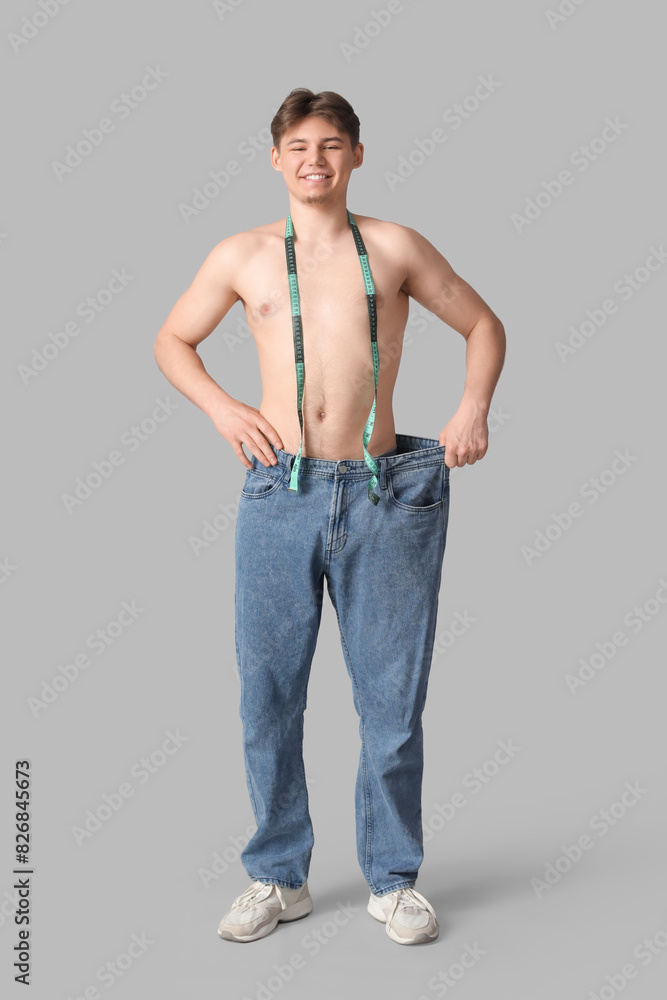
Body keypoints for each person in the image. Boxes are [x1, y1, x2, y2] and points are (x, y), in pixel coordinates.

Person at [153, 87, 505, 946]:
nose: (316, 158)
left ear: (355, 156)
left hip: (386, 491)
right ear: (275, 159)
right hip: (281, 491)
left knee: (390, 698)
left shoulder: (392, 247)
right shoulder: (241, 255)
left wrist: (472, 410)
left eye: (333, 144)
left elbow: (483, 323)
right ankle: (278, 876)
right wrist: (224, 411)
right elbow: (172, 340)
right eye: (300, 145)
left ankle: (391, 879)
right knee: (266, 696)